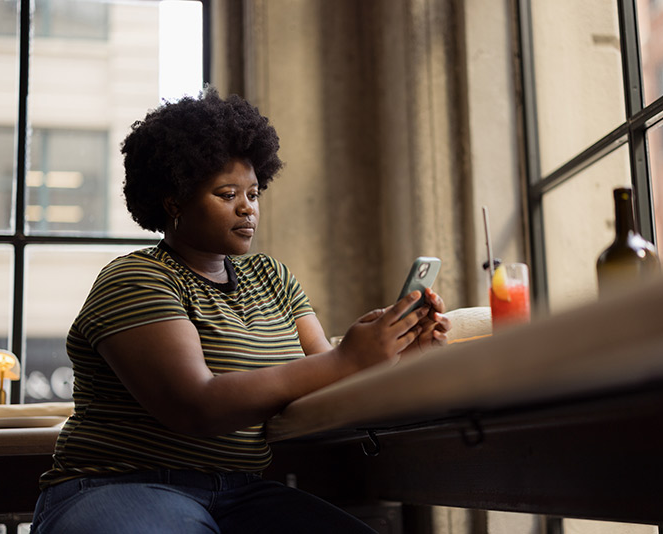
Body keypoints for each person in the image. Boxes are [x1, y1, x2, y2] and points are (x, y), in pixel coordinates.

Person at [30, 87, 450, 534]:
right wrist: (348, 358)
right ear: (173, 202)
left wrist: (398, 353)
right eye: (226, 193)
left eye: (253, 192)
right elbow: (196, 406)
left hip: (241, 491)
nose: (247, 206)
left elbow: (321, 384)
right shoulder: (136, 279)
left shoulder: (273, 278)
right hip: (122, 485)